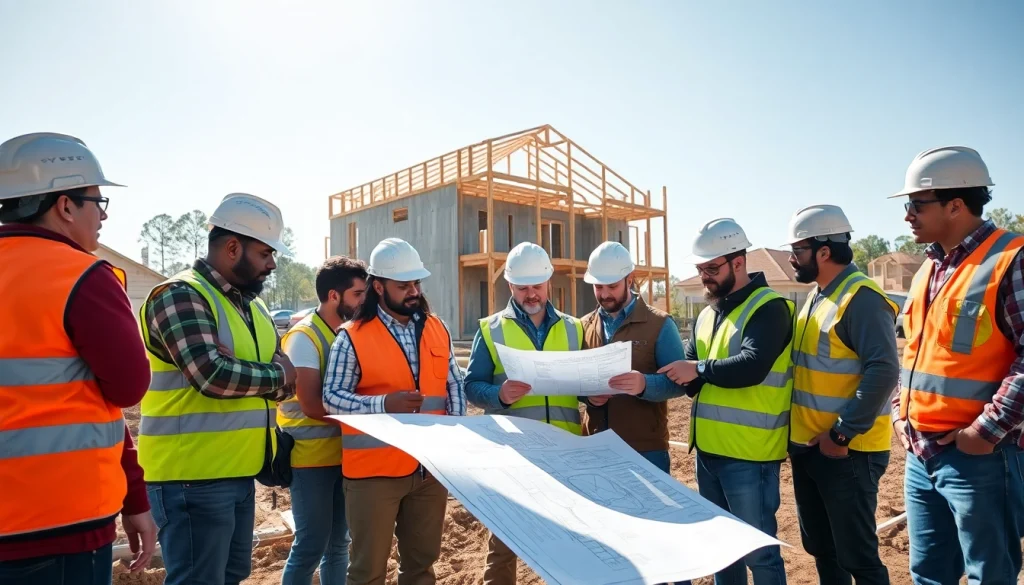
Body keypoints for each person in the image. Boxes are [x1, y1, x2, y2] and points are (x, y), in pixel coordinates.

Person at [0, 132, 156, 584]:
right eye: (97, 200)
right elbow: (125, 391)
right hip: (59, 526)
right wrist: (135, 499)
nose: (103, 214)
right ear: (65, 205)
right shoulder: (82, 276)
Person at [138, 192, 297, 585]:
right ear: (231, 247)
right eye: (264, 254)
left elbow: (280, 383)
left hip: (240, 473)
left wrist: (254, 374)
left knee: (231, 575)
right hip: (190, 477)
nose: (272, 264)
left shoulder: (254, 308)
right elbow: (211, 375)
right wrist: (273, 375)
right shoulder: (180, 294)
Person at [889, 146, 1024, 585]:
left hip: (980, 457)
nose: (907, 215)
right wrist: (899, 410)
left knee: (991, 575)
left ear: (955, 205)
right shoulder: (928, 269)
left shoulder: (1010, 258)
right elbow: (913, 351)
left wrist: (982, 434)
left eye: (916, 204)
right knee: (928, 574)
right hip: (920, 453)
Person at [322, 237, 466, 585]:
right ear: (378, 287)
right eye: (403, 286)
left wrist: (459, 438)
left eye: (416, 283)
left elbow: (453, 386)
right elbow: (331, 397)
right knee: (367, 572)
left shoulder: (437, 328)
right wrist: (383, 404)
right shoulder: (352, 336)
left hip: (429, 471)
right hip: (375, 475)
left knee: (421, 569)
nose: (413, 291)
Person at [659, 218, 792, 585]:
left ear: (739, 262)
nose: (705, 276)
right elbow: (685, 371)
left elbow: (753, 365)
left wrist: (698, 369)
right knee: (722, 549)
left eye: (712, 268)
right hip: (709, 453)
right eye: (701, 269)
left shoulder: (770, 308)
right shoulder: (706, 315)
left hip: (751, 455)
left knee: (759, 554)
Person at [785, 204, 899, 585]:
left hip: (847, 451)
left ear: (824, 251)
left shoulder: (860, 298)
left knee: (858, 558)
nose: (791, 259)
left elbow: (884, 369)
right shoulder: (818, 296)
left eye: (798, 251)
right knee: (823, 549)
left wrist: (841, 433)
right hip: (810, 447)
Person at [464, 241, 586, 585]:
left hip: (564, 452)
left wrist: (597, 396)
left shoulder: (574, 328)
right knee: (504, 543)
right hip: (513, 456)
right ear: (510, 286)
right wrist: (499, 394)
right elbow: (472, 387)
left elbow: (584, 386)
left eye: (537, 286)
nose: (531, 294)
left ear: (549, 282)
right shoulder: (490, 329)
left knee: (567, 541)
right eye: (523, 287)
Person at [279, 256, 368, 585]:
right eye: (358, 294)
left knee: (338, 545)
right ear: (334, 296)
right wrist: (367, 418)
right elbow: (312, 405)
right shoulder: (305, 336)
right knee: (310, 545)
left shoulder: (347, 334)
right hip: (310, 459)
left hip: (343, 456)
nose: (364, 301)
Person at [578, 241, 687, 473]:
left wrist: (644, 384)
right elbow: (575, 380)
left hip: (646, 451)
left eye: (612, 286)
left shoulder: (660, 324)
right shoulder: (583, 325)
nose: (604, 294)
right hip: (594, 445)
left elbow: (679, 384)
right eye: (598, 287)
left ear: (630, 278)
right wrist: (588, 396)